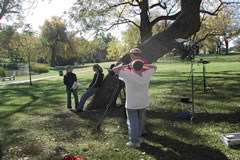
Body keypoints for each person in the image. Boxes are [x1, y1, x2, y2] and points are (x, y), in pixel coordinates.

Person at [113, 60, 157, 148]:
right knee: (139, 122)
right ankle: (138, 139)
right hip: (143, 102)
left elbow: (115, 69)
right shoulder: (147, 74)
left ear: (132, 67)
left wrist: (126, 65)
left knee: (132, 123)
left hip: (132, 104)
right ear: (142, 67)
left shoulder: (129, 75)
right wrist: (142, 65)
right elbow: (154, 67)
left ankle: (134, 141)